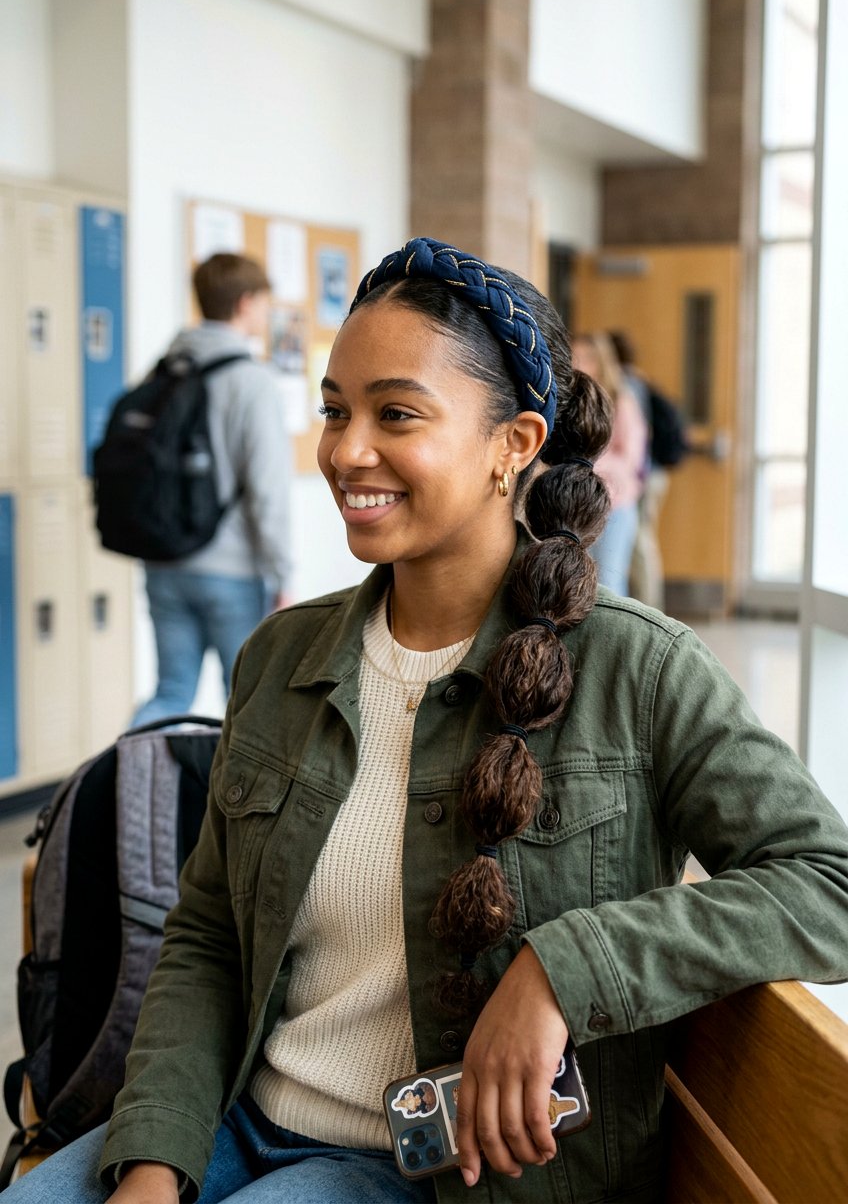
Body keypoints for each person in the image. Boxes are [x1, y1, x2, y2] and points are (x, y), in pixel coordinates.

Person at [7, 237, 847, 1204]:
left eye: (395, 414)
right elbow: (206, 937)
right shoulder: (282, 660)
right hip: (231, 1117)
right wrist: (152, 1165)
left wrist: (565, 967)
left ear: (515, 446)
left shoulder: (637, 668)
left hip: (429, 1171)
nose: (345, 451)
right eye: (334, 410)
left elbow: (829, 880)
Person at [130, 253, 293, 727]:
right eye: (264, 302)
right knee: (245, 699)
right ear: (245, 303)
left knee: (169, 693)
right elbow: (267, 491)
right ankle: (229, 803)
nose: (266, 313)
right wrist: (282, 573)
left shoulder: (162, 371)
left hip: (164, 562)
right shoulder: (251, 381)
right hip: (232, 571)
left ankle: (125, 792)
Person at [570, 333, 647, 597]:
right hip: (576, 503)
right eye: (574, 357)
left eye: (587, 359)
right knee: (580, 581)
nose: (579, 365)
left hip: (615, 503)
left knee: (609, 582)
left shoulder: (621, 401)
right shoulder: (570, 404)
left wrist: (585, 463)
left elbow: (629, 459)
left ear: (602, 362)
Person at [608, 331, 671, 611]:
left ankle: (648, 610)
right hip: (646, 473)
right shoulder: (637, 379)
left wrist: (633, 479)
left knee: (639, 541)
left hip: (641, 475)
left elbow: (636, 436)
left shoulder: (625, 385)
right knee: (638, 541)